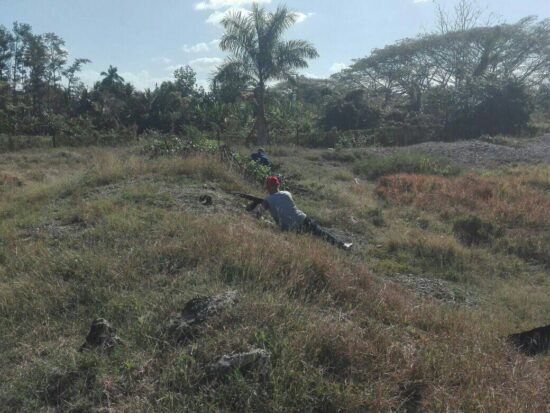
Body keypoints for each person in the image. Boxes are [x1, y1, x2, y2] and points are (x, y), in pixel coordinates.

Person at [257, 175, 353, 250]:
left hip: (289, 228)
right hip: (302, 219)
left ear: (269, 187)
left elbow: (259, 213)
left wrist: (258, 211)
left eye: (267, 187)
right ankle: (342, 245)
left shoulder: (268, 200)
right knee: (321, 233)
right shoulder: (287, 193)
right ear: (278, 185)